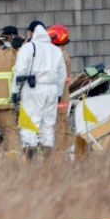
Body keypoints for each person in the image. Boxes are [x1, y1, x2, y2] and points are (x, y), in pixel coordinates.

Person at [11, 22, 67, 159]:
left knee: (30, 124)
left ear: (31, 33)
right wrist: (59, 93)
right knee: (48, 126)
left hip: (33, 89)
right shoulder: (55, 50)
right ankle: (47, 161)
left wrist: (15, 91)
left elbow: (20, 71)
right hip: (52, 90)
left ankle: (30, 161)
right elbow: (62, 74)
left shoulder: (28, 48)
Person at [47, 24, 74, 153]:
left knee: (58, 127)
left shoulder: (59, 56)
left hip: (59, 98)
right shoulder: (63, 54)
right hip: (64, 97)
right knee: (65, 126)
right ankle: (70, 153)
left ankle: (56, 156)